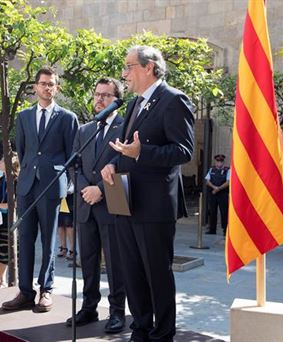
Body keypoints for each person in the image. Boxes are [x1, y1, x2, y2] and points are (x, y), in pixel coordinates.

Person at [101, 46, 194, 342]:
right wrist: (113, 164)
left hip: (155, 205)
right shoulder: (134, 104)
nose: (124, 74)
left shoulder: (173, 100)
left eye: (129, 67)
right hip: (128, 200)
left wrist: (144, 152)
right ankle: (140, 328)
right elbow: (129, 146)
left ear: (149, 67)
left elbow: (183, 151)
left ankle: (162, 334)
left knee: (157, 274)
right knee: (133, 271)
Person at [2, 67, 79, 313]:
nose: (47, 87)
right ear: (35, 87)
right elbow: (23, 153)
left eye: (52, 84)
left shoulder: (67, 117)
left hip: (51, 185)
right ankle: (25, 292)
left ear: (56, 88)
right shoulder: (24, 117)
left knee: (48, 240)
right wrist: (27, 174)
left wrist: (65, 183)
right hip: (26, 185)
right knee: (25, 239)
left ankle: (46, 290)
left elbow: (72, 156)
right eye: (43, 83)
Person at [65, 77, 126, 332]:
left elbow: (124, 165)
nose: (99, 99)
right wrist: (84, 190)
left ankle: (117, 312)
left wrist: (99, 190)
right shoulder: (85, 130)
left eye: (106, 95)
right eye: (96, 95)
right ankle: (89, 308)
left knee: (115, 262)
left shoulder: (125, 127)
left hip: (112, 202)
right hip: (85, 204)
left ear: (117, 101)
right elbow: (73, 166)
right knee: (88, 260)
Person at [0, 153, 20, 288]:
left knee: (13, 251)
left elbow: (18, 203)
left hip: (12, 220)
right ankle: (2, 281)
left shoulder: (18, 181)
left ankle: (16, 280)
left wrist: (0, 206)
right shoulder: (1, 179)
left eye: (1, 160)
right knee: (0, 252)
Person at [205, 154, 230, 235]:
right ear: (215, 162)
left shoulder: (228, 170)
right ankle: (212, 229)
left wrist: (218, 189)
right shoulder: (211, 169)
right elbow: (207, 181)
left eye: (221, 161)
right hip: (213, 194)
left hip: (223, 194)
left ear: (223, 162)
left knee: (224, 212)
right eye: (218, 161)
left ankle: (225, 230)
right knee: (212, 212)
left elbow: (228, 182)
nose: (219, 163)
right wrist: (214, 188)